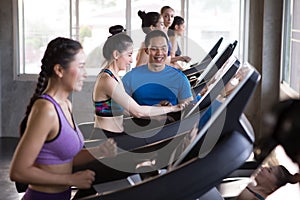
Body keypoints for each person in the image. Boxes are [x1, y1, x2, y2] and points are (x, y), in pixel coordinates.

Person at [9, 37, 117, 200]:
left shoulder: (65, 104)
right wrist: (70, 179)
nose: (85, 74)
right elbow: (18, 171)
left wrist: (98, 151)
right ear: (59, 70)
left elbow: (64, 158)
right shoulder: (46, 109)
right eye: (80, 67)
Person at [92, 32, 185, 150]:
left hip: (117, 136)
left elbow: (126, 110)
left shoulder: (115, 77)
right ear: (116, 54)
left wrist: (156, 113)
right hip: (106, 140)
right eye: (129, 55)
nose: (131, 60)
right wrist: (174, 108)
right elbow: (138, 112)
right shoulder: (107, 80)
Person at [123, 29, 193, 108]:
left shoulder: (180, 78)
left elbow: (189, 111)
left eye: (163, 48)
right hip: (140, 119)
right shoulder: (130, 77)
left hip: (173, 119)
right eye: (154, 49)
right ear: (146, 51)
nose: (159, 53)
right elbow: (122, 109)